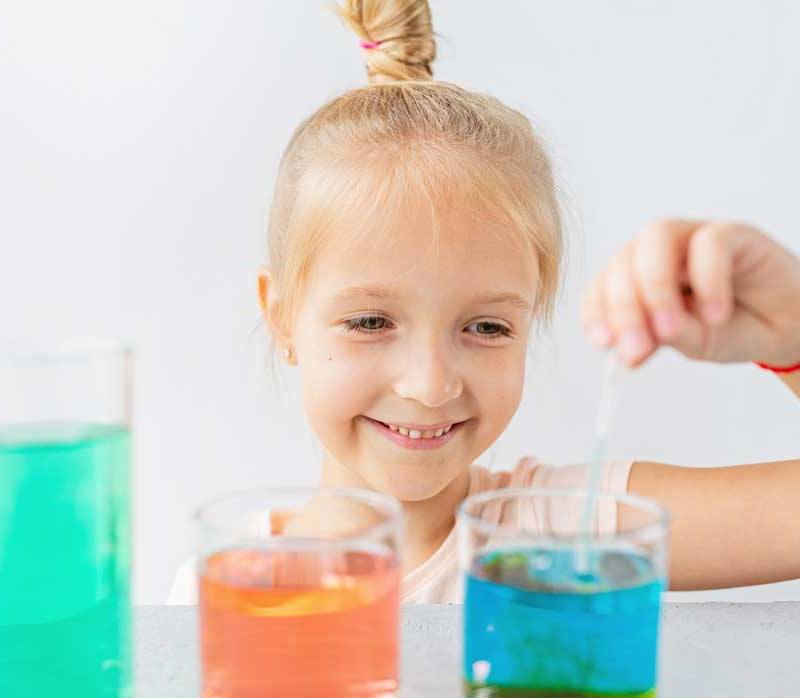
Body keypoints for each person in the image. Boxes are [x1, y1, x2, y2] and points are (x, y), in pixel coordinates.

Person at [169, 0, 800, 604]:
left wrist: (793, 336)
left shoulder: (568, 533)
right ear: (280, 316)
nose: (430, 385)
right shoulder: (229, 587)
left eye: (486, 326)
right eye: (369, 321)